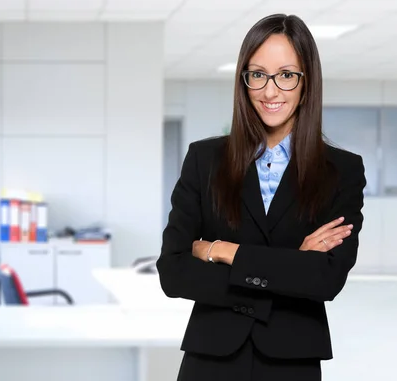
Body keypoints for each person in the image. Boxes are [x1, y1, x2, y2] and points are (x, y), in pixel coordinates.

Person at [156, 13, 367, 381]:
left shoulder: (342, 171)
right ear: (244, 81)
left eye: (286, 75)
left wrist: (223, 251)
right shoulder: (205, 160)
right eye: (258, 75)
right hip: (210, 360)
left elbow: (325, 280)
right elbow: (173, 273)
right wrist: (289, 267)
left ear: (307, 82)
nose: (270, 92)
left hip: (293, 362)